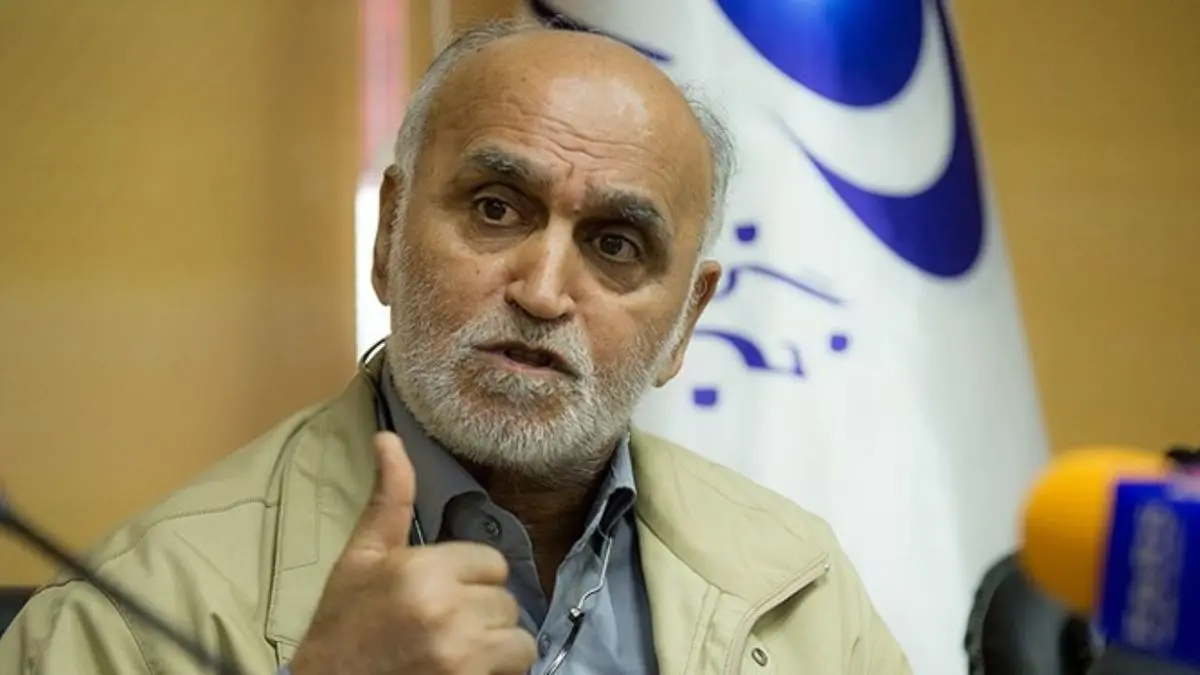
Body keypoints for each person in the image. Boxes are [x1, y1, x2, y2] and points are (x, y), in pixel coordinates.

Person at [0, 20, 911, 675]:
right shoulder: (128, 617)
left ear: (686, 320)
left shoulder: (800, 588)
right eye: (495, 208)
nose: (542, 292)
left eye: (615, 244)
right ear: (388, 234)